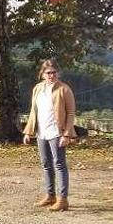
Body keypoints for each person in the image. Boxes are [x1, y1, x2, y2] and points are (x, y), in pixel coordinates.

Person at [22, 59, 77, 211]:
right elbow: (34, 111)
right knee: (46, 165)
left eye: (54, 72)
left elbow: (71, 113)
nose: (51, 75)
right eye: (48, 73)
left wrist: (66, 134)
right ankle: (50, 195)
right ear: (42, 74)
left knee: (59, 164)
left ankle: (62, 199)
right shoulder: (38, 89)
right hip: (42, 132)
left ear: (57, 73)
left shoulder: (64, 89)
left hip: (56, 132)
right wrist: (29, 131)